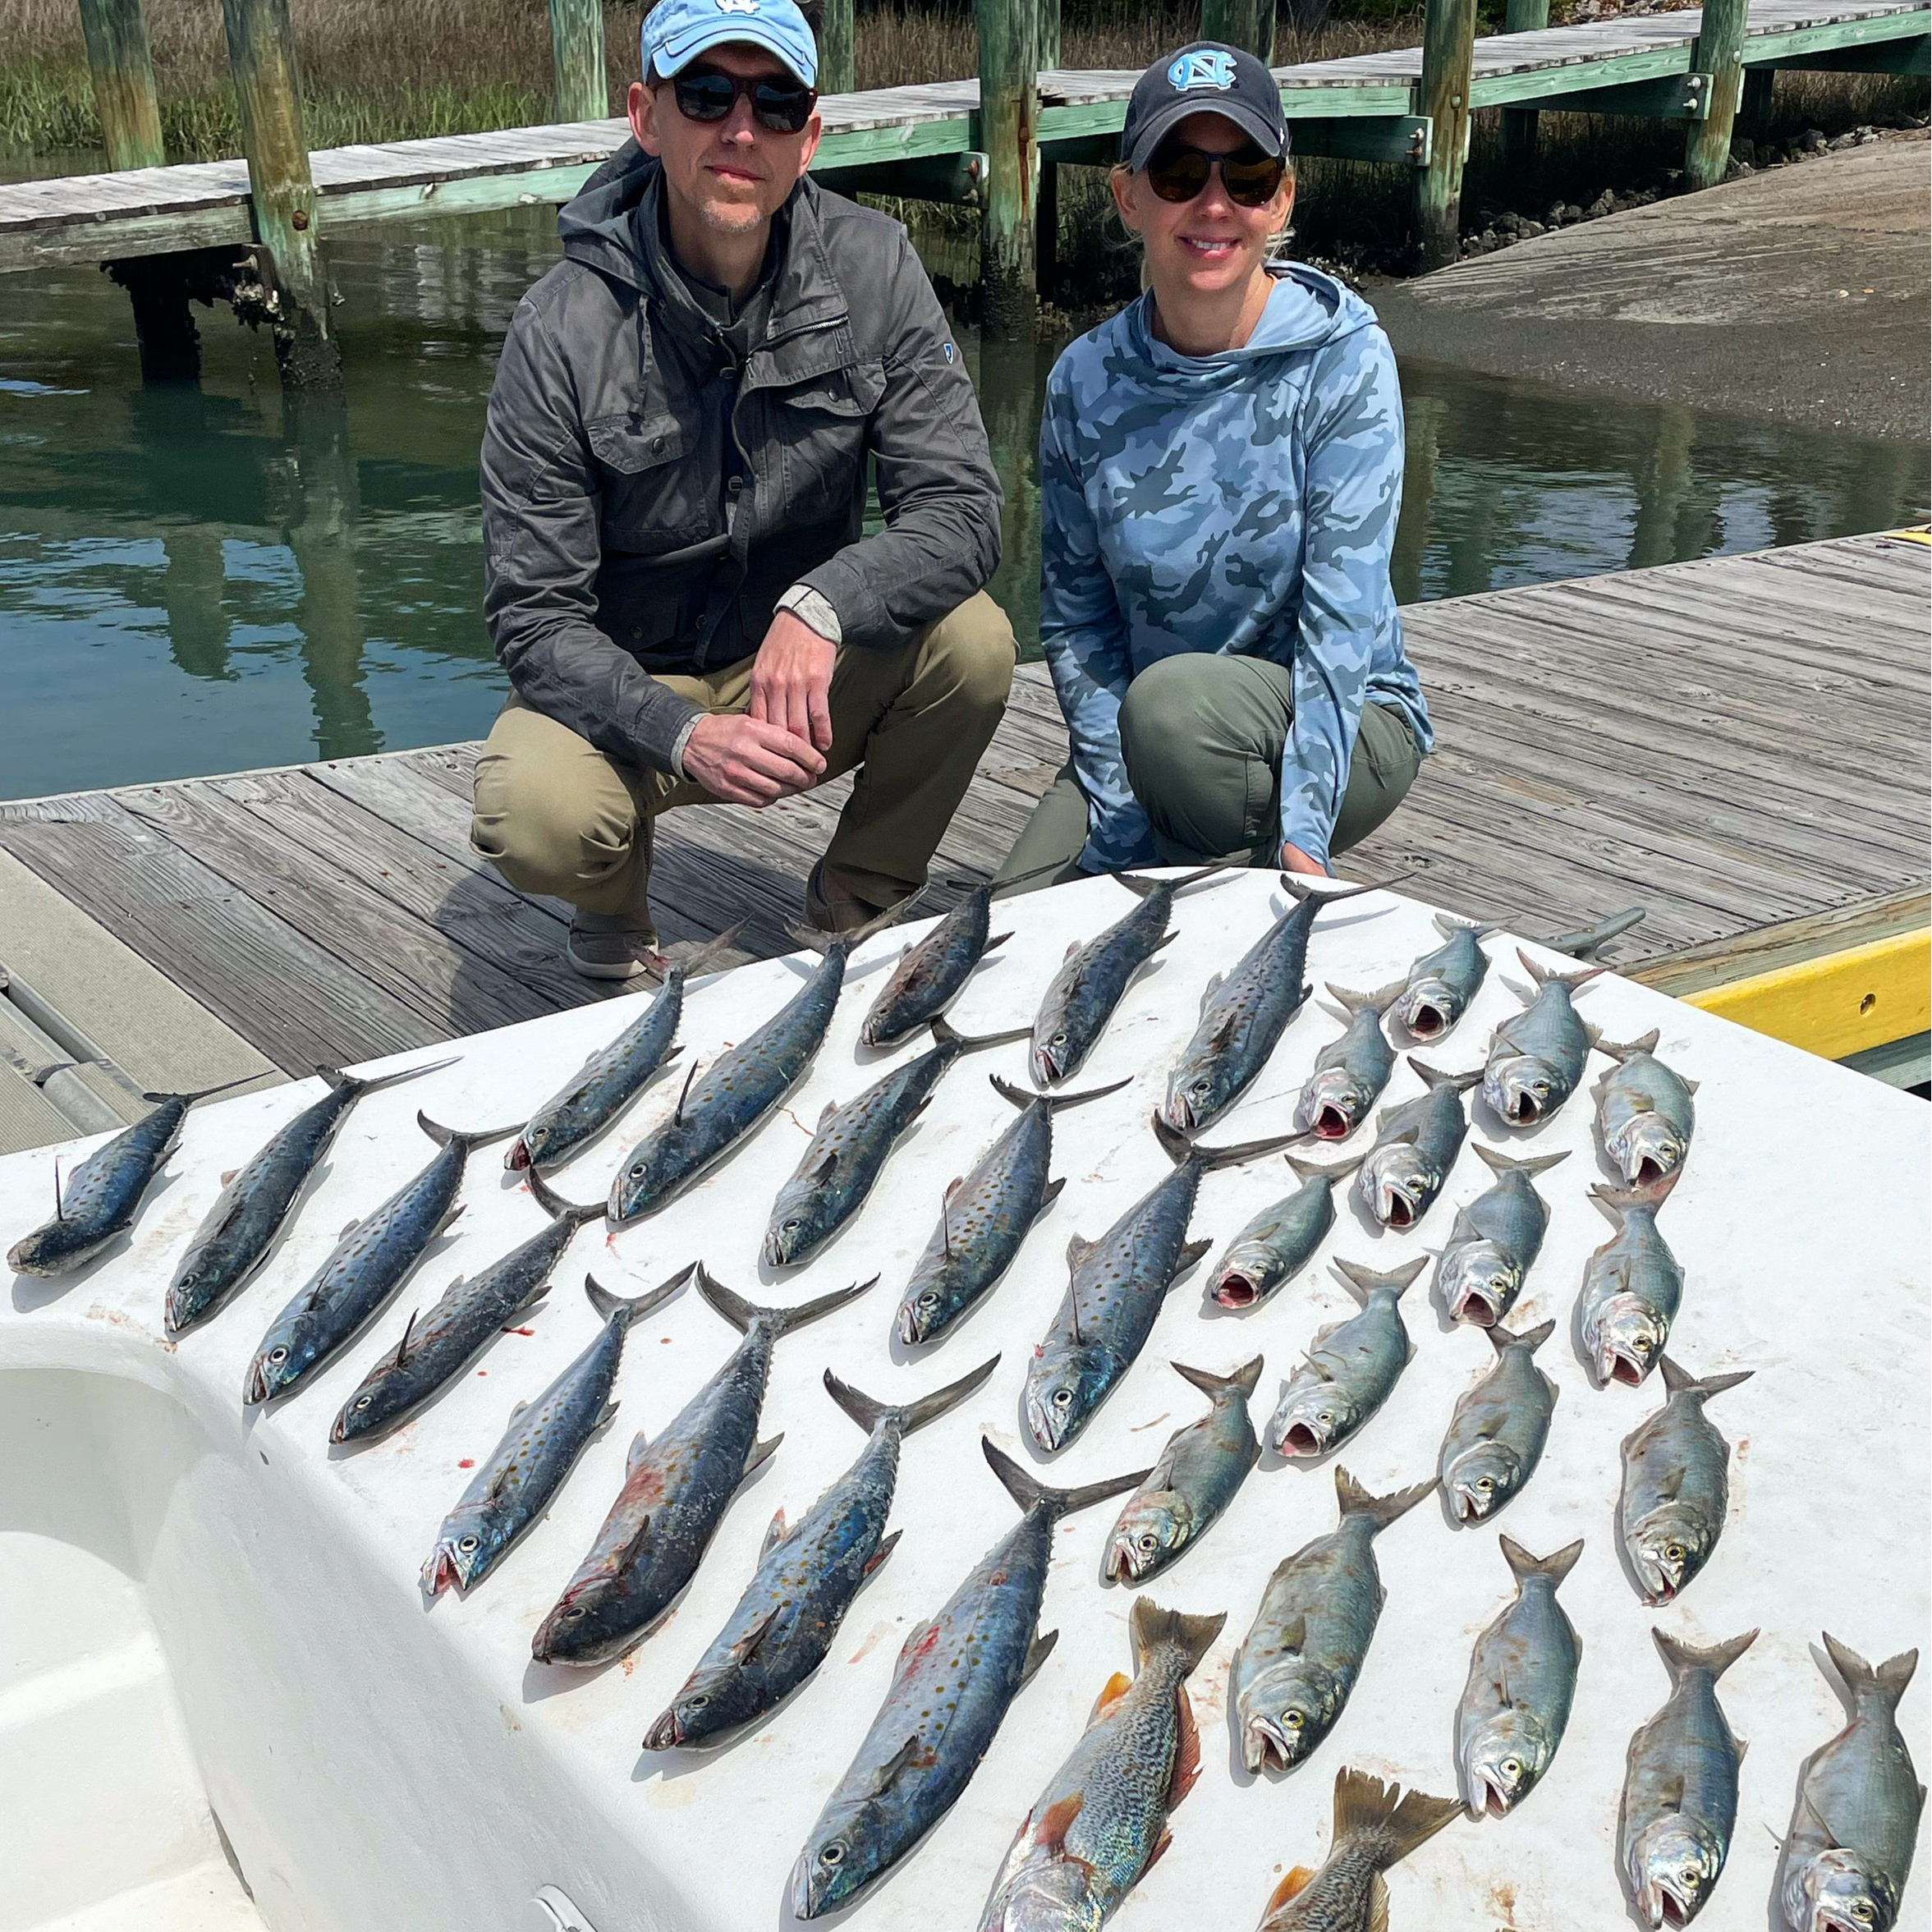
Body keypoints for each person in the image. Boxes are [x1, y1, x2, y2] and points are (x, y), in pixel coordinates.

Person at [471, 0, 1015, 976]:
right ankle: (612, 919)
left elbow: (965, 512)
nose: (739, 128)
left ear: (807, 137)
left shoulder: (877, 264)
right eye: (707, 92)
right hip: (634, 687)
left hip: (799, 670)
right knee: (538, 815)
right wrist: (677, 731)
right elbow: (533, 619)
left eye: (774, 102)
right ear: (646, 116)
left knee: (973, 641)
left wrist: (827, 602)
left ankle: (860, 893)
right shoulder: (556, 326)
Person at [996, 41, 1429, 892]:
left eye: (1248, 174)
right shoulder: (1079, 380)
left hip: (1343, 723)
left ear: (1282, 198)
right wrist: (1117, 807)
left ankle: (1231, 875)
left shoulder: (1345, 359)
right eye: (1179, 173)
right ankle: (1182, 846)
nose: (1214, 202)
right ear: (1127, 197)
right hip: (1153, 743)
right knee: (1011, 922)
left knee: (1166, 715)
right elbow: (1077, 621)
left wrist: (1304, 838)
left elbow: (1341, 619)